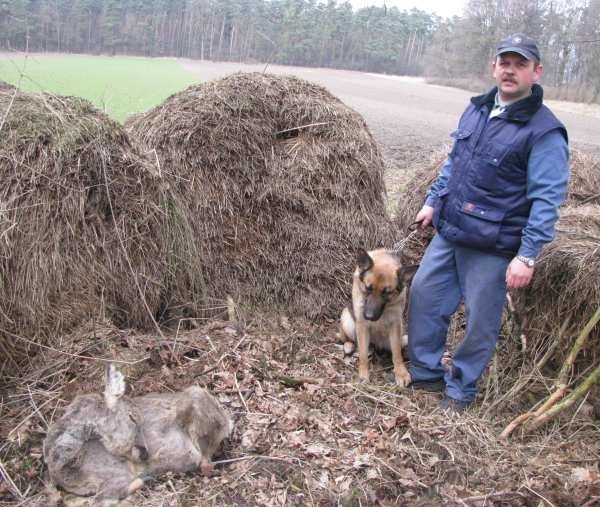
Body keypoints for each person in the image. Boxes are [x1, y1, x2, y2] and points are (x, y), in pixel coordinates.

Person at [407, 33, 569, 412]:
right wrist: (433, 201)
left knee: (480, 321)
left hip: (494, 245)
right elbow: (454, 162)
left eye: (520, 64)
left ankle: (460, 390)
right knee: (425, 296)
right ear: (494, 67)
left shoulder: (544, 131)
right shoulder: (477, 110)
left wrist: (527, 255)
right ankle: (426, 374)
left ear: (536, 72)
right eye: (505, 63)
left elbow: (547, 199)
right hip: (450, 230)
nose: (510, 70)